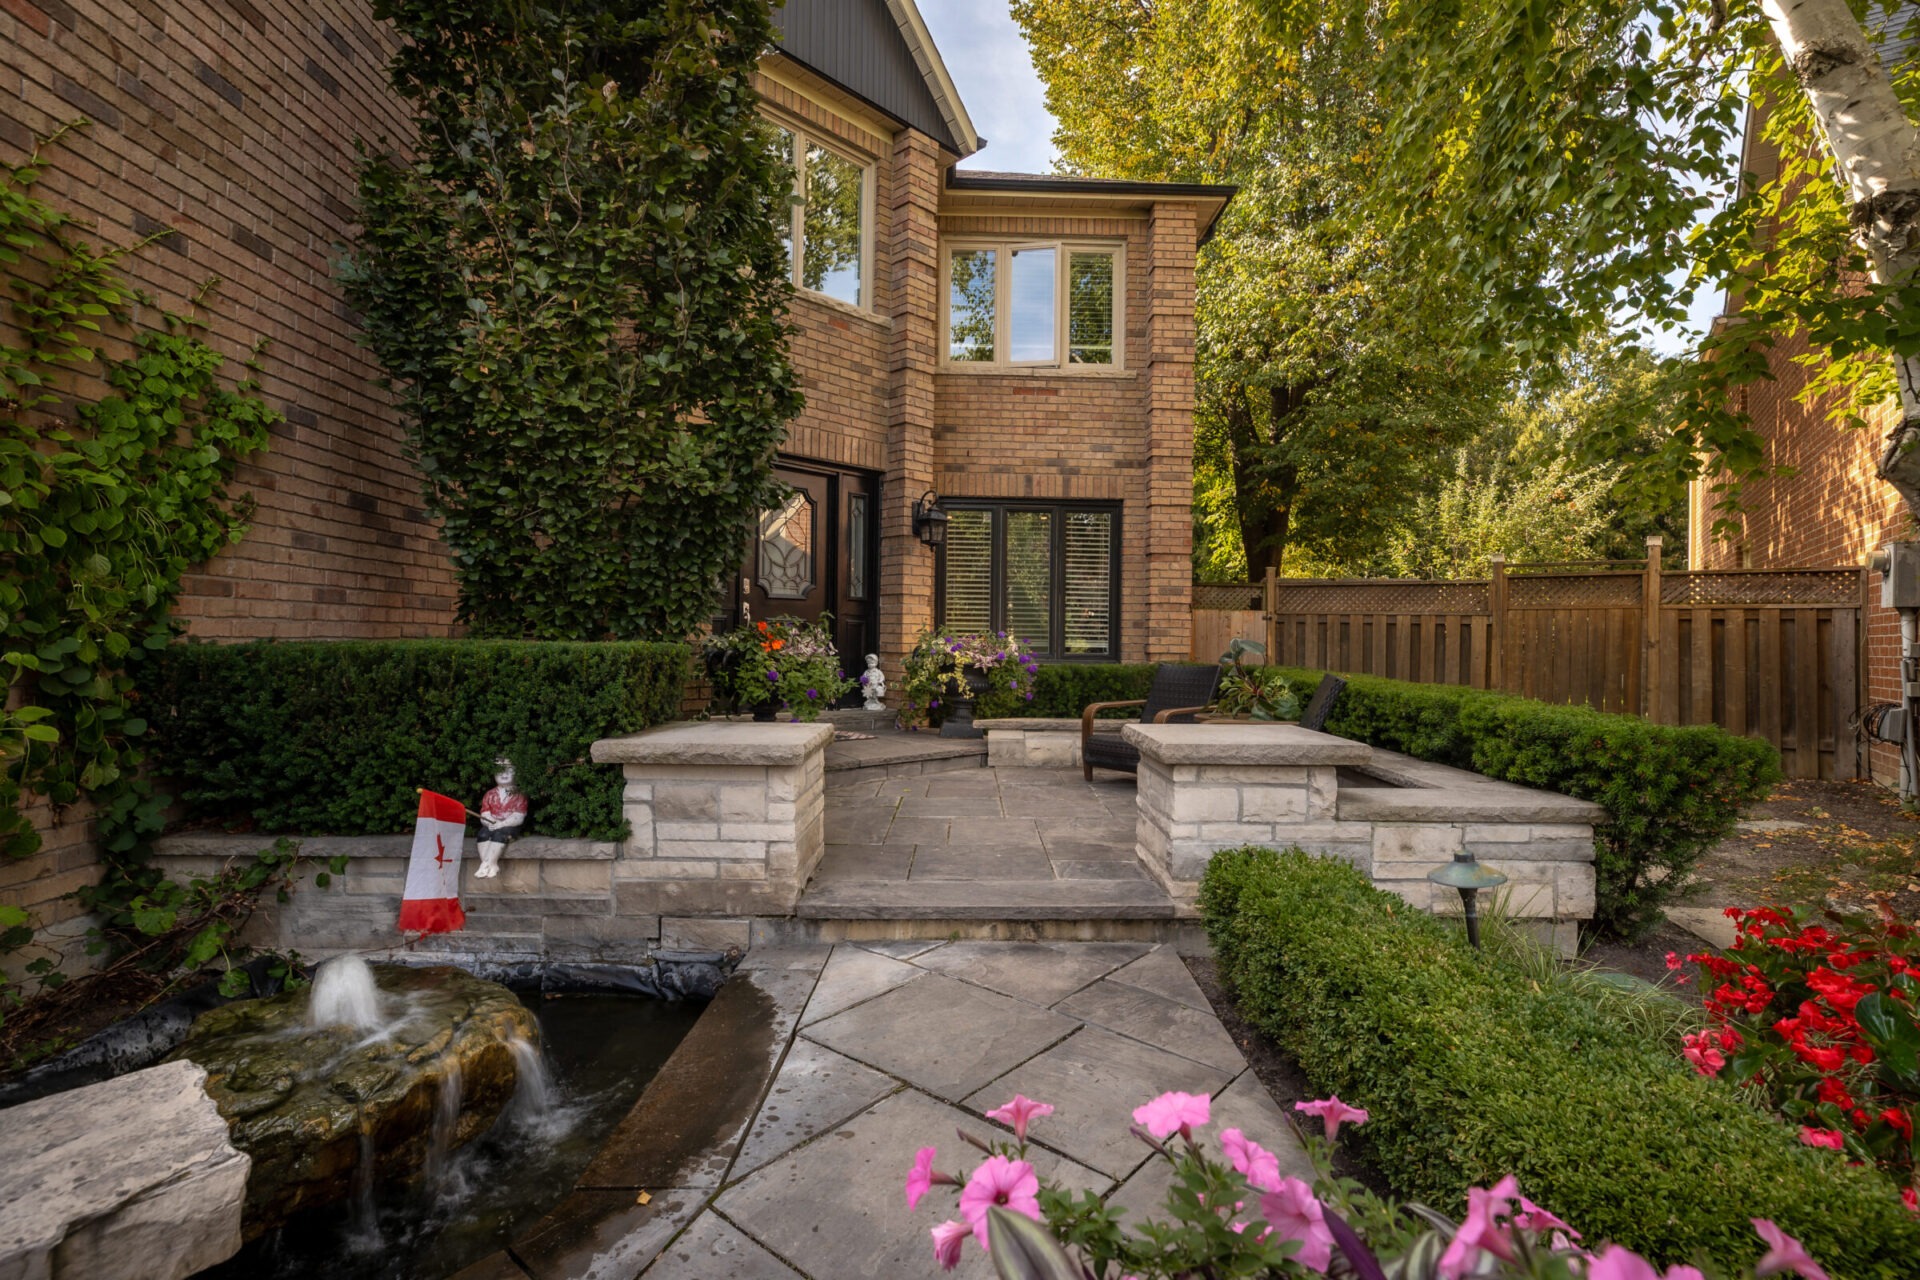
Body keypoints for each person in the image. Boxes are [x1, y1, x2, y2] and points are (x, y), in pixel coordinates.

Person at [475, 758, 529, 878]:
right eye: (500, 771)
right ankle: (491, 865)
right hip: (492, 824)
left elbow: (518, 816)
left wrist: (502, 824)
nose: (504, 774)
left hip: (509, 826)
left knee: (500, 834)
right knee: (483, 834)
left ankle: (485, 865)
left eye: (508, 771)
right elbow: (485, 813)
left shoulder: (519, 794)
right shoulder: (489, 794)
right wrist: (489, 822)